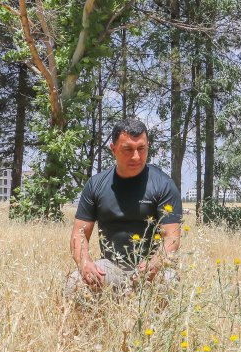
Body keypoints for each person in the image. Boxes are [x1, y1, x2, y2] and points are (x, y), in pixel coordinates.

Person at [66, 118, 182, 298]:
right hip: (111, 267)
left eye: (141, 148)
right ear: (113, 149)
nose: (136, 156)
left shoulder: (164, 185)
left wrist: (154, 265)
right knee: (74, 284)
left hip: (151, 267)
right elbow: (79, 234)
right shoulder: (95, 185)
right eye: (128, 149)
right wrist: (85, 263)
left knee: (169, 282)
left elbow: (172, 238)